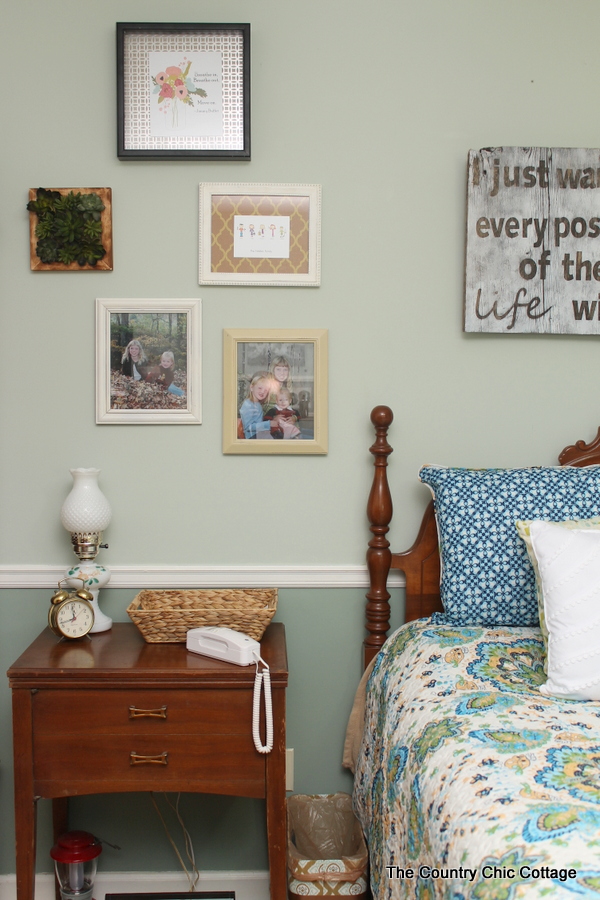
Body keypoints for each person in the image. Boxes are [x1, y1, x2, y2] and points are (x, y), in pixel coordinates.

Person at [239, 372, 272, 439]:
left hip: (259, 434)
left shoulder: (257, 404)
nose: (263, 392)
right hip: (252, 437)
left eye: (266, 390)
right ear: (251, 387)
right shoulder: (248, 405)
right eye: (260, 388)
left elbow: (258, 422)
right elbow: (248, 427)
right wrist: (268, 424)